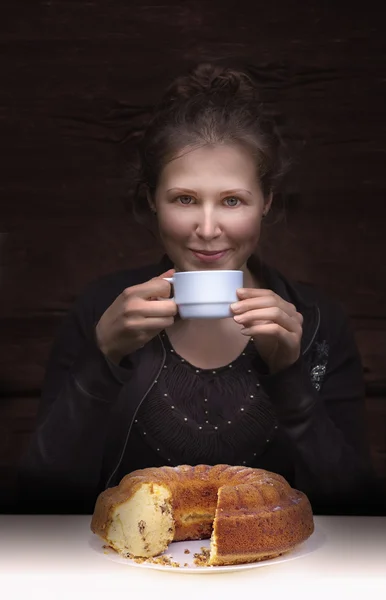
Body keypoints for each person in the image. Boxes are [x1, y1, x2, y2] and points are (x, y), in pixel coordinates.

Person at [16, 62, 384, 516]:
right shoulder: (101, 309)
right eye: (184, 199)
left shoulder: (318, 320)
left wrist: (290, 375)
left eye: (232, 200)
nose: (207, 229)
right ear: (152, 199)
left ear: (266, 201)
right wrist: (102, 360)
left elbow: (358, 511)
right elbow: (36, 502)